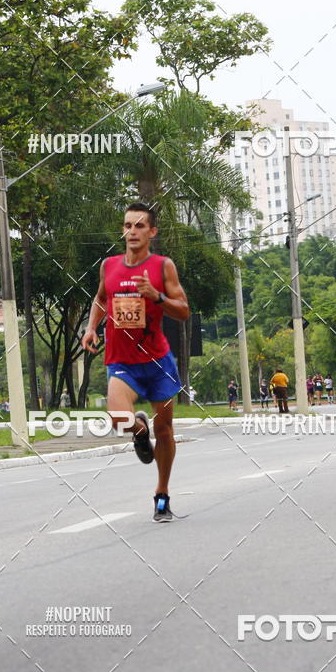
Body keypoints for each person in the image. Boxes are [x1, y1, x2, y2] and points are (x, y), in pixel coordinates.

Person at [82, 202, 190, 523]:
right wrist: (91, 327)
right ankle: (139, 431)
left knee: (166, 429)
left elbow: (183, 310)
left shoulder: (162, 266)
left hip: (157, 362)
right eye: (128, 225)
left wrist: (156, 295)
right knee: (119, 419)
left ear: (152, 232)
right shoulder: (110, 266)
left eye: (140, 226)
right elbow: (102, 298)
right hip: (122, 361)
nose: (132, 231)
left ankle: (161, 494)